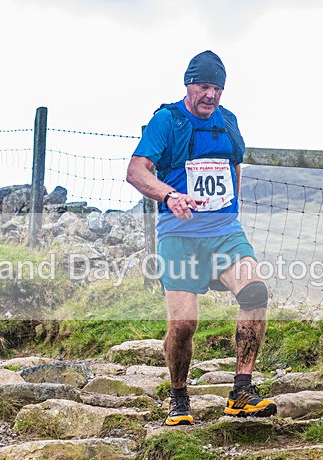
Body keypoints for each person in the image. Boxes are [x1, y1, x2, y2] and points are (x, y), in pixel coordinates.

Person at [126, 50, 277, 426]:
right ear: (188, 85)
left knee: (255, 293)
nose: (211, 95)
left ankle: (241, 390)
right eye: (205, 86)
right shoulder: (168, 120)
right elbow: (136, 170)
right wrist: (170, 195)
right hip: (179, 235)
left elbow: (234, 164)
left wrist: (230, 211)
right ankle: (178, 397)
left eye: (218, 88)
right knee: (183, 324)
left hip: (224, 233)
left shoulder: (229, 121)